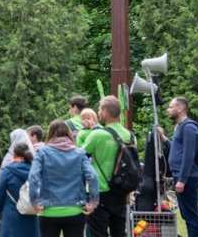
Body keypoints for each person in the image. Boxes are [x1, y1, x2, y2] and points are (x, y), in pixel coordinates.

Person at [30, 120, 99, 237]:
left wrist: (35, 202)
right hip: (75, 209)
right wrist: (93, 202)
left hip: (48, 210)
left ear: (50, 134)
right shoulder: (80, 153)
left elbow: (33, 177)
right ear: (69, 134)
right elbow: (92, 176)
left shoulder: (42, 153)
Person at [82, 95, 132, 237]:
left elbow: (80, 157)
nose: (98, 113)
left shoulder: (97, 134)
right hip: (121, 191)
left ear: (105, 111)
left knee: (97, 233)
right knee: (119, 232)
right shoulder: (129, 135)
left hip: (99, 190)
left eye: (99, 109)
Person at [166, 96, 198, 237]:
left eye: (171, 107)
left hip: (187, 178)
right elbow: (178, 150)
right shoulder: (180, 127)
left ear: (180, 108)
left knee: (191, 215)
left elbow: (188, 155)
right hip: (181, 176)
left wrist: (182, 179)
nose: (168, 110)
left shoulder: (189, 127)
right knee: (186, 214)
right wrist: (164, 138)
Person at [0, 143, 38, 237]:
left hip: (11, 217)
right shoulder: (35, 170)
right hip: (32, 217)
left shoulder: (7, 171)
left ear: (14, 154)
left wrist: (1, 211)